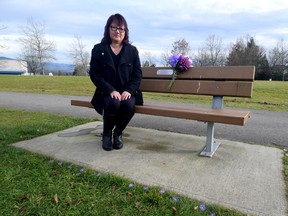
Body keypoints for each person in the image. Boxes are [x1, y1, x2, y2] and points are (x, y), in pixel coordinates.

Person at [89, 13, 142, 151]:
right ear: (108, 29)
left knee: (128, 106)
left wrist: (129, 90)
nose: (118, 31)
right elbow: (95, 74)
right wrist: (110, 90)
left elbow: (137, 75)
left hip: (127, 92)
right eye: (114, 28)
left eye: (121, 28)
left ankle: (117, 133)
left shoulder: (132, 51)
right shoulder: (98, 49)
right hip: (106, 91)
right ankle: (107, 134)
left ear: (125, 32)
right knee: (113, 103)